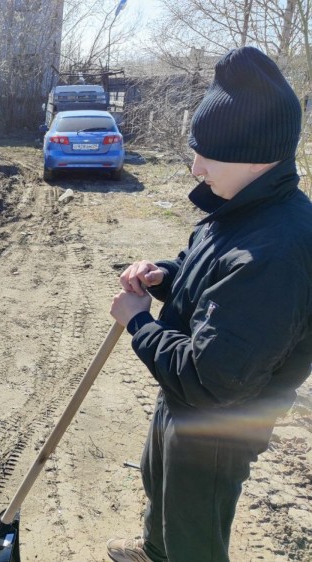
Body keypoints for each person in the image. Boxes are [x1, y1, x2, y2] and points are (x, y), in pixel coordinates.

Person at [107, 46, 312, 562]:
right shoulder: (241, 207)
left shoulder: (276, 253)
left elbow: (209, 379)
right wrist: (164, 277)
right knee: (160, 484)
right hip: (185, 400)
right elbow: (208, 280)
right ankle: (155, 550)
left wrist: (138, 324)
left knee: (194, 526)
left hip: (218, 421)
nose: (195, 166)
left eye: (207, 153)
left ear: (256, 155)